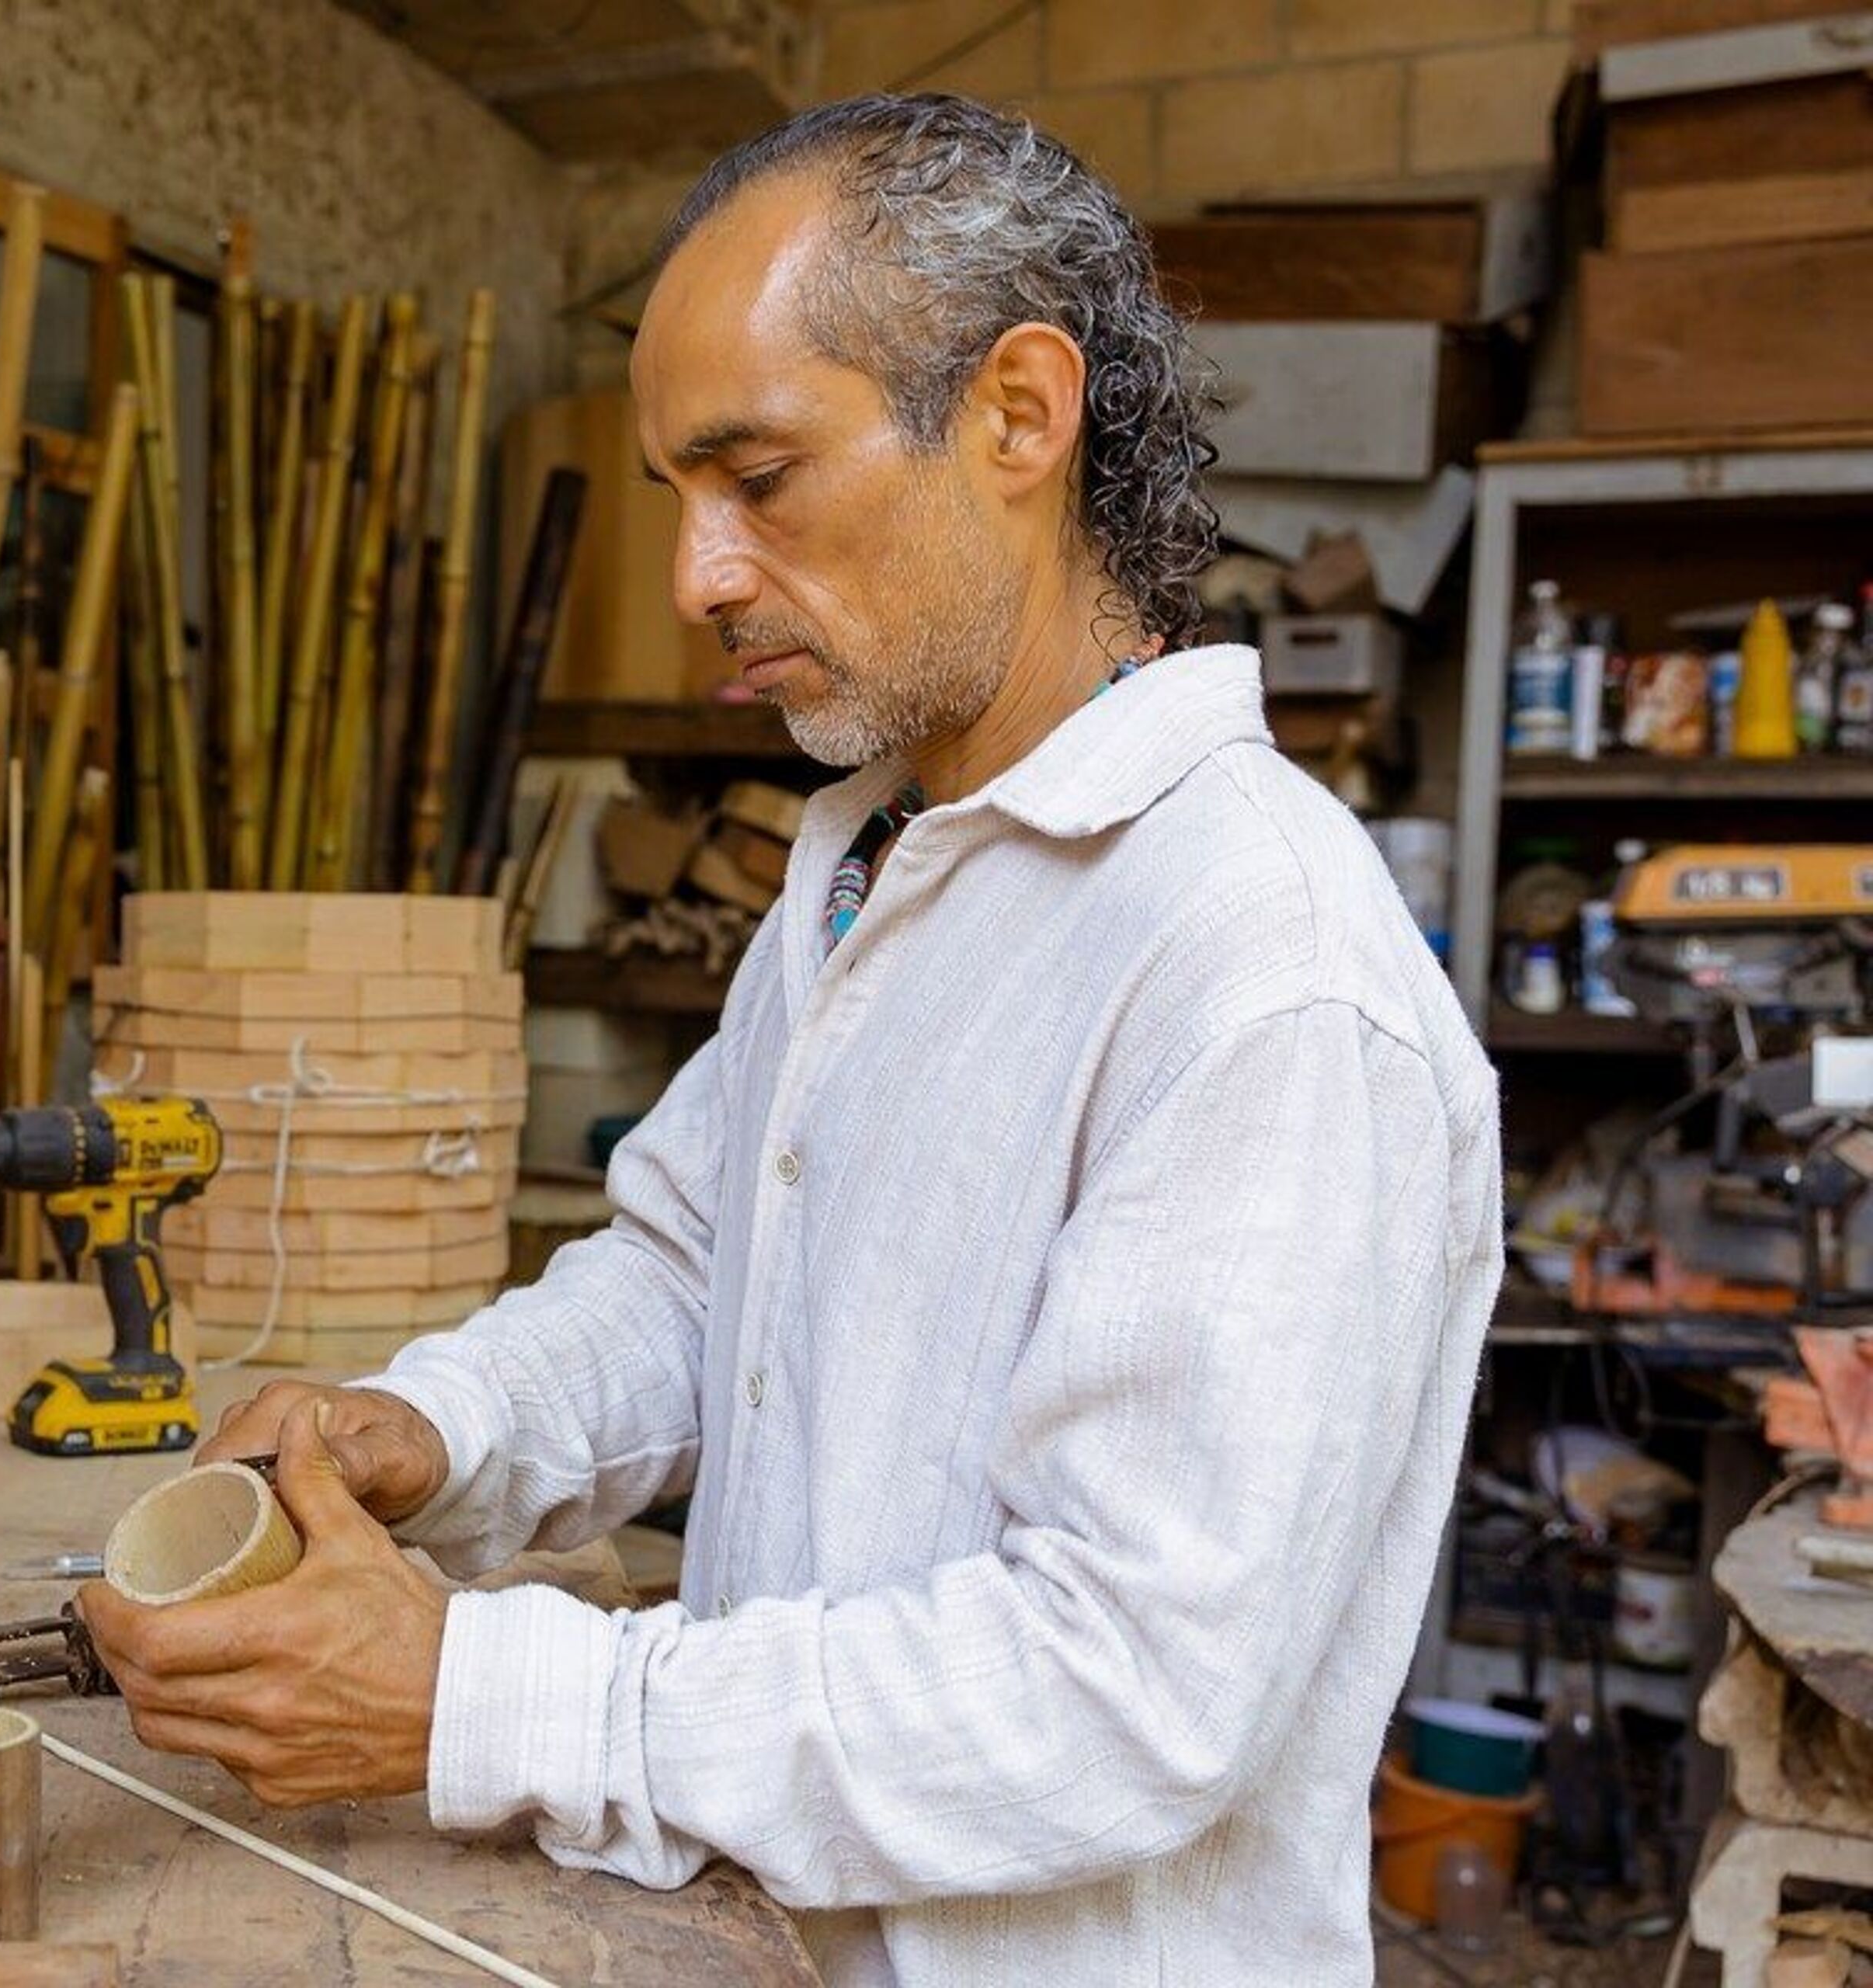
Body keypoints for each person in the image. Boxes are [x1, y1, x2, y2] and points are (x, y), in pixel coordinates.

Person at [77, 92, 1500, 1985]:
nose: (699, 577)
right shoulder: (877, 857)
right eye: (679, 494)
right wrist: (443, 1426)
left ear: (1018, 416)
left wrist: (485, 1698)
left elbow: (1128, 1687)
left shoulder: (1263, 968)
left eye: (759, 477)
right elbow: (700, 1274)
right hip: (760, 1943)